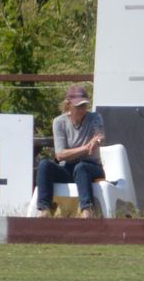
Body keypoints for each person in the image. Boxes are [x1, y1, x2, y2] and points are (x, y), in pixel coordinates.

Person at [35, 85, 105, 217]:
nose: (82, 109)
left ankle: (87, 209)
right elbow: (60, 155)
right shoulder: (59, 122)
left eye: (84, 105)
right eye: (78, 106)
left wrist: (97, 141)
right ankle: (45, 209)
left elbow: (99, 136)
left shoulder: (95, 117)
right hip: (67, 168)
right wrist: (86, 147)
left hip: (91, 167)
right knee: (44, 165)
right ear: (68, 105)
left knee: (81, 167)